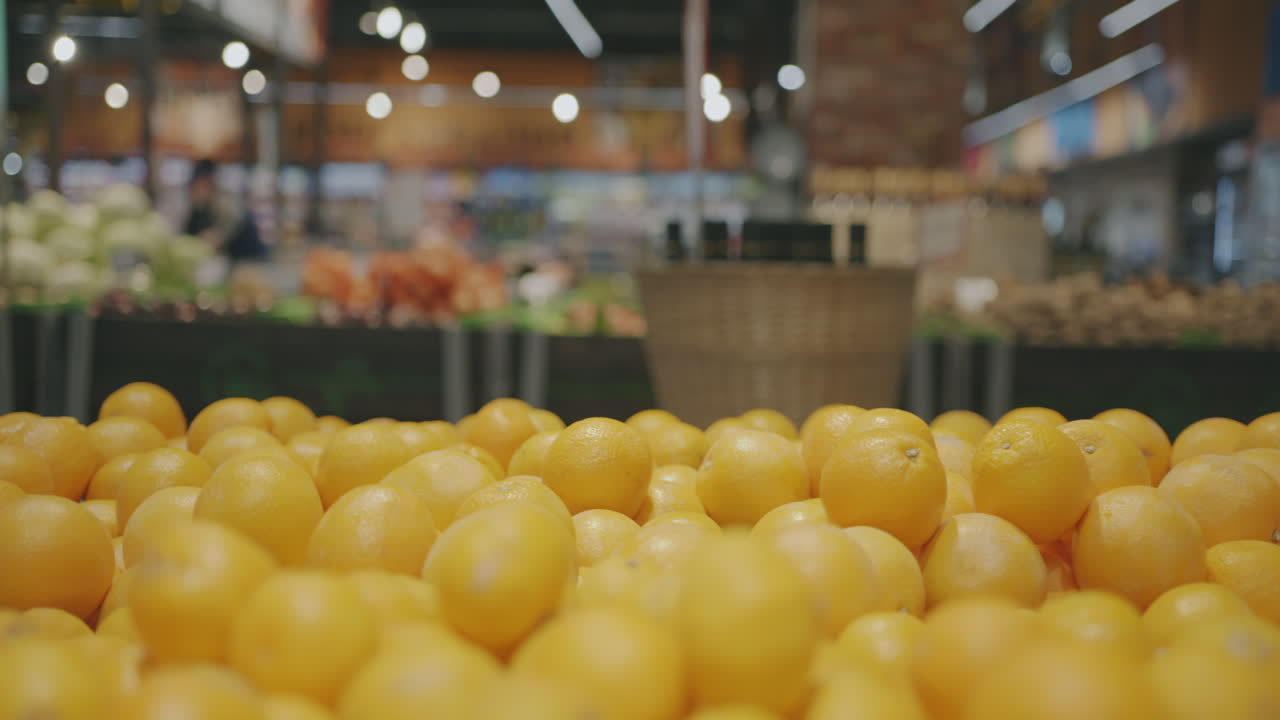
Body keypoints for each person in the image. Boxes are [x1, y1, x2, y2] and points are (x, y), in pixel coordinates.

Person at [184, 158, 268, 264]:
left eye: (202, 185)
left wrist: (217, 236)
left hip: (250, 259)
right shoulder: (200, 205)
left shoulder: (224, 201)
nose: (198, 190)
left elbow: (231, 224)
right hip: (235, 260)